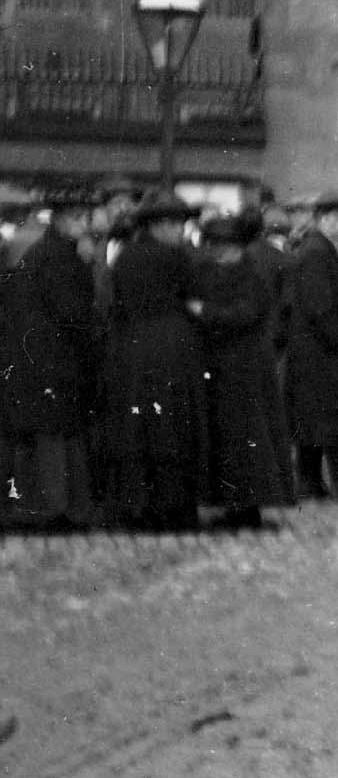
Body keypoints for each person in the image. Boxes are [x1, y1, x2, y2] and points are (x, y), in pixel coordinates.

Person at [101, 191, 207, 531]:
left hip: (131, 351)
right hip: (171, 350)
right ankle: (172, 507)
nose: (181, 230)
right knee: (172, 427)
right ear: (159, 225)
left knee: (137, 430)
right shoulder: (178, 257)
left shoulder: (126, 256)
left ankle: (136, 505)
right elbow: (194, 298)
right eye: (176, 224)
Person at [1, 192, 101, 530]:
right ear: (60, 218)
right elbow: (73, 312)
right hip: (54, 361)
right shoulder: (59, 257)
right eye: (77, 217)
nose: (83, 224)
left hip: (41, 360)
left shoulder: (46, 251)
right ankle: (58, 509)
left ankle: (58, 507)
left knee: (53, 435)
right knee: (56, 436)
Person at [191, 212, 296, 529]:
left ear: (239, 248)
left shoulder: (251, 275)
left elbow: (247, 313)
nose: (222, 253)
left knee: (247, 438)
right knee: (226, 438)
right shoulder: (210, 271)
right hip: (221, 367)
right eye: (217, 247)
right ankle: (230, 503)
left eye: (228, 247)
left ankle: (247, 507)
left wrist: (205, 312)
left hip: (246, 369)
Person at [286, 193, 338, 502]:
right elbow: (319, 307)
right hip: (321, 352)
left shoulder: (317, 249)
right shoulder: (317, 252)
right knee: (332, 422)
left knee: (314, 421)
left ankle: (311, 483)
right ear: (320, 220)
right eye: (333, 218)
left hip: (314, 352)